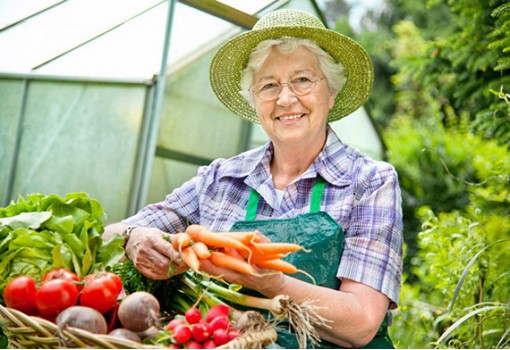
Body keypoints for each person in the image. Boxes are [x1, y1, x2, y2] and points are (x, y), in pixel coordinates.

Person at [104, 8, 403, 349]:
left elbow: (361, 322)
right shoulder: (221, 178)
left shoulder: (369, 181)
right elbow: (111, 234)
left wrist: (271, 283)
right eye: (269, 85)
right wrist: (135, 236)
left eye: (303, 80)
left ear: (331, 93)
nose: (286, 98)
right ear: (255, 101)